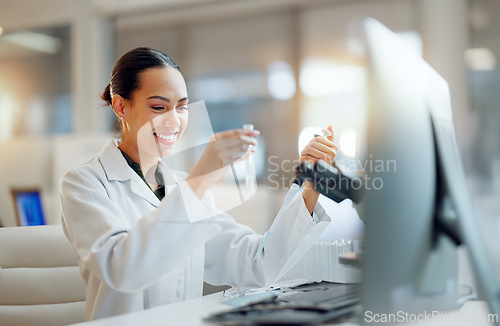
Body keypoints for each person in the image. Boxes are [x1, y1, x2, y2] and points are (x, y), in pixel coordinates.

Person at [60, 47, 337, 320]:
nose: (174, 121)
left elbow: (257, 264)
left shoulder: (184, 187)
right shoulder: (84, 183)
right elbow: (123, 270)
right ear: (121, 106)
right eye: (158, 107)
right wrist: (202, 178)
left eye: (182, 107)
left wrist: (309, 185)